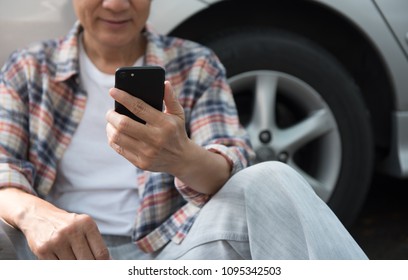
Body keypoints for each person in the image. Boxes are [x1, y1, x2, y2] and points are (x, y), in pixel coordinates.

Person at [0, 0, 368, 260]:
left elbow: (235, 165)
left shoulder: (195, 65)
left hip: (172, 251)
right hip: (57, 255)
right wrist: (35, 215)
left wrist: (182, 157)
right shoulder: (30, 68)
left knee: (272, 178)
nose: (115, 4)